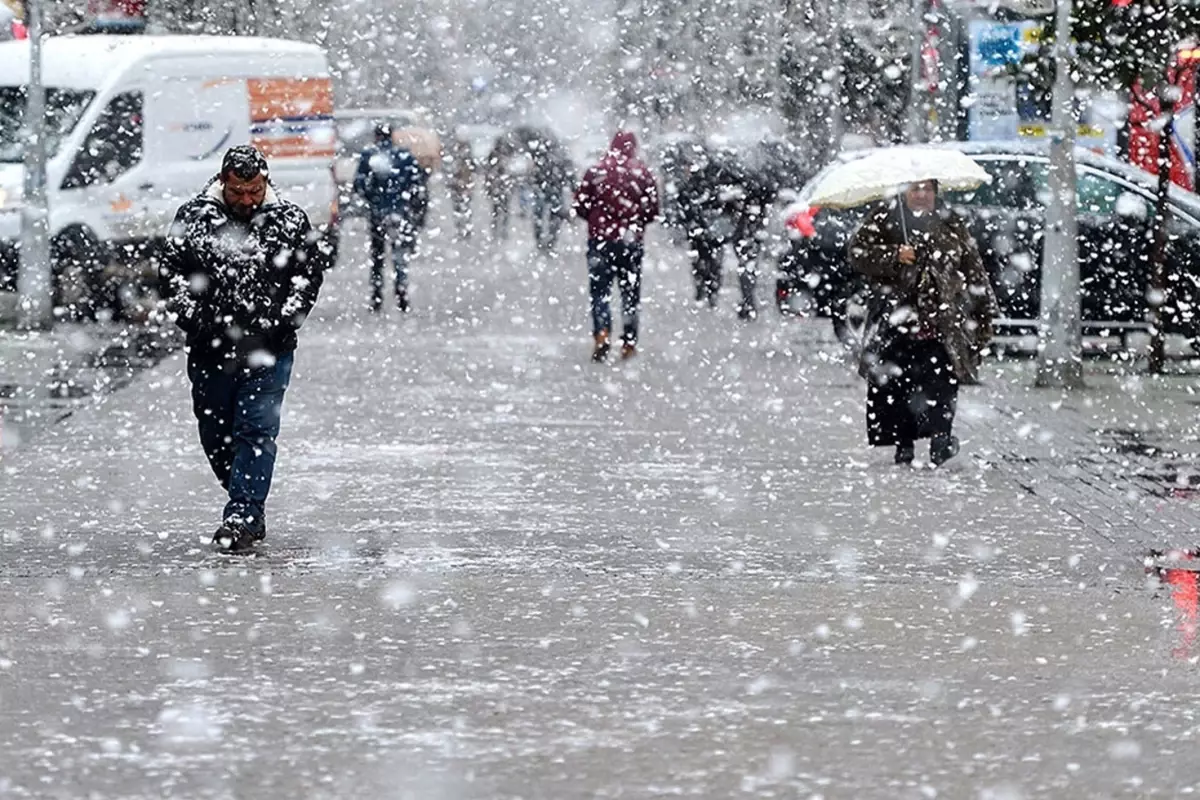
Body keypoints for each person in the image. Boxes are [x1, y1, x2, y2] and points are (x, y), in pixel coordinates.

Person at [160, 145, 329, 552]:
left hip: (268, 350)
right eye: (238, 191)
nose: (247, 199)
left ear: (265, 182)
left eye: (254, 190)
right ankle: (242, 491)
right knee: (216, 432)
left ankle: (243, 514)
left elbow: (307, 276)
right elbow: (171, 274)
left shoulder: (289, 220)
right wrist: (194, 320)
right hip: (210, 349)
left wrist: (284, 321)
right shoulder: (194, 218)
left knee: (255, 430)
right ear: (223, 182)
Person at [848, 180, 997, 466]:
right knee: (899, 385)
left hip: (941, 323)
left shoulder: (950, 222)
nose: (920, 195)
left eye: (927, 189)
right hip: (896, 320)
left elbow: (973, 268)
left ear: (935, 192)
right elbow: (858, 254)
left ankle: (941, 441)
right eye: (915, 189)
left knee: (942, 384)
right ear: (905, 191)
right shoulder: (886, 217)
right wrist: (895, 255)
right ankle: (904, 444)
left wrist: (982, 313)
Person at [572, 130, 660, 362]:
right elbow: (652, 210)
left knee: (600, 292)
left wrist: (597, 221)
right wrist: (634, 222)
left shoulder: (597, 171)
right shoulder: (642, 173)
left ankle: (602, 333)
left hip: (601, 240)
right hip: (630, 242)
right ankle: (629, 342)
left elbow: (581, 205)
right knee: (630, 294)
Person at [353, 123, 429, 313]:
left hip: (378, 214)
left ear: (376, 137)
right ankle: (401, 293)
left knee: (378, 256)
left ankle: (377, 296)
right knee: (399, 255)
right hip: (400, 213)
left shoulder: (369, 156)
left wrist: (372, 199)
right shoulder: (404, 157)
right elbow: (417, 183)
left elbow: (360, 185)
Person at [528, 137, 573, 253]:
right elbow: (568, 174)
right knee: (553, 217)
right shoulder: (559, 157)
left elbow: (534, 174)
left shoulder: (541, 157)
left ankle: (542, 240)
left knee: (541, 216)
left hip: (545, 191)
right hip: (553, 191)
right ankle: (550, 241)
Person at [444, 134, 476, 240]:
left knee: (463, 208)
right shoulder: (456, 159)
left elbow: (471, 173)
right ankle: (462, 229)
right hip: (458, 187)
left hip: (462, 188)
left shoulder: (464, 161)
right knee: (460, 208)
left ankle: (464, 229)